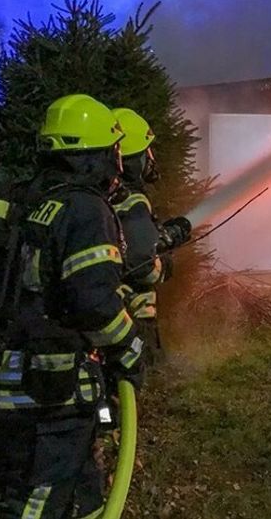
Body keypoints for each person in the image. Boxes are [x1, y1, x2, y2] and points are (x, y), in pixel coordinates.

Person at [0, 94, 144, 519]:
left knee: (81, 492)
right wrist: (130, 346)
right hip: (48, 390)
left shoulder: (28, 199)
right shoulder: (84, 208)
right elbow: (93, 301)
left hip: (6, 376)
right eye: (113, 150)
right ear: (97, 154)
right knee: (39, 500)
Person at [110, 108, 171, 364]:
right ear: (134, 160)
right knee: (139, 369)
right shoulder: (132, 202)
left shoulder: (102, 195)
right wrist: (163, 261)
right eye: (146, 152)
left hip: (105, 316)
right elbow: (144, 268)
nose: (150, 158)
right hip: (131, 318)